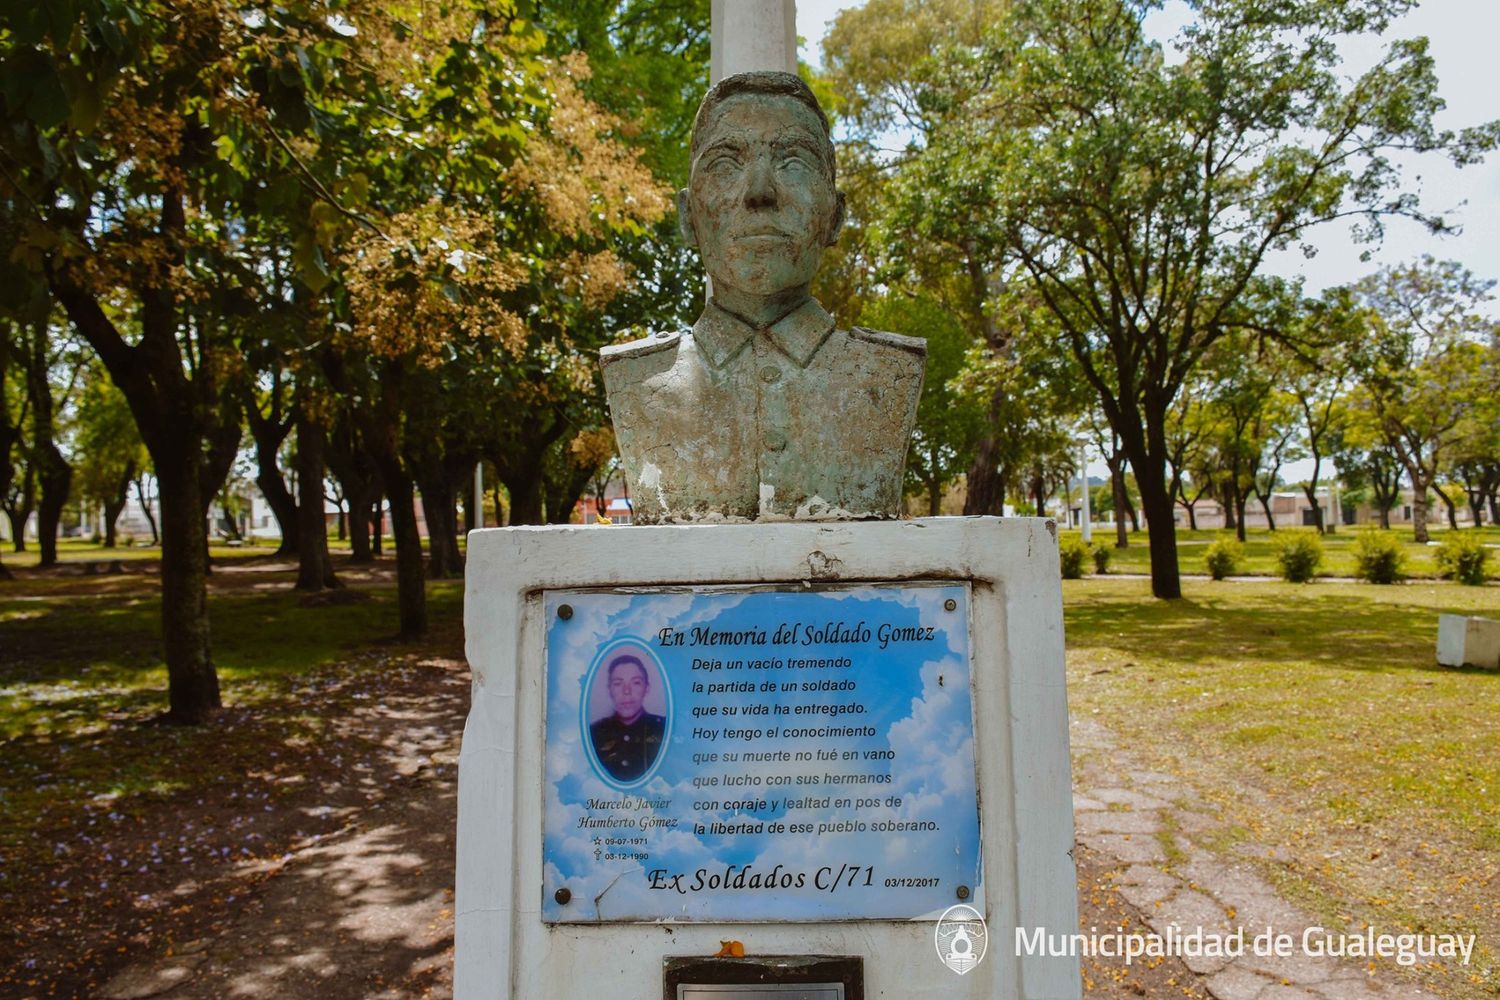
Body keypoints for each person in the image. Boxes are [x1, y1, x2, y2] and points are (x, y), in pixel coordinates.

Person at [601, 71, 925, 523]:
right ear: (687, 217)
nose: (759, 193)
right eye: (725, 165)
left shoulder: (890, 372)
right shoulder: (637, 376)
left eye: (794, 162)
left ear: (835, 216)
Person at [589, 653, 666, 782]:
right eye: (618, 683)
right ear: (609, 690)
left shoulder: (664, 729)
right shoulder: (593, 733)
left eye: (636, 683)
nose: (626, 691)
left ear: (646, 688)